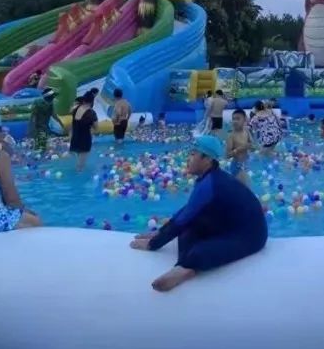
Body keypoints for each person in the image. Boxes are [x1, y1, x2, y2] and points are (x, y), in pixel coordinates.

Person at [130, 135, 267, 291]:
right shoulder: (209, 178)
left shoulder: (211, 183)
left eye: (193, 154)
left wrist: (152, 245)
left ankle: (186, 267)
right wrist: (160, 232)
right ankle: (184, 265)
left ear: (207, 159)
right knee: (186, 229)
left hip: (250, 235)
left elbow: (183, 219)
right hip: (228, 225)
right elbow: (187, 212)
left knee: (198, 252)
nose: (188, 159)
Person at [69, 93, 99, 172]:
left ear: (84, 100)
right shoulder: (91, 113)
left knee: (78, 159)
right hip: (85, 139)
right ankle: (78, 176)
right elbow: (96, 127)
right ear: (92, 101)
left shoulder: (75, 109)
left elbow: (72, 112)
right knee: (81, 165)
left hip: (75, 137)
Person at [225, 109, 254, 185]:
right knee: (246, 187)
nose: (235, 121)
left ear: (244, 120)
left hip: (246, 163)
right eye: (233, 119)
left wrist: (251, 147)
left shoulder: (246, 131)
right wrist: (239, 149)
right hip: (237, 166)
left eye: (238, 119)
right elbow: (227, 155)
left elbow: (252, 145)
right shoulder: (231, 136)